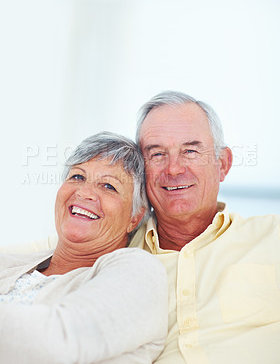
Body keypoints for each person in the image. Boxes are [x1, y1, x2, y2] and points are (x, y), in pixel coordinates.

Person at [2, 91, 280, 363]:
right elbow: (51, 250)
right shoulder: (112, 239)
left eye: (191, 151)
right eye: (157, 154)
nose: (173, 169)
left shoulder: (272, 237)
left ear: (222, 163)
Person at [0, 132, 168, 364]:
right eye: (77, 177)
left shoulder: (140, 271)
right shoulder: (9, 263)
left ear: (134, 217)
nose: (85, 192)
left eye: (109, 186)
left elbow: (53, 344)